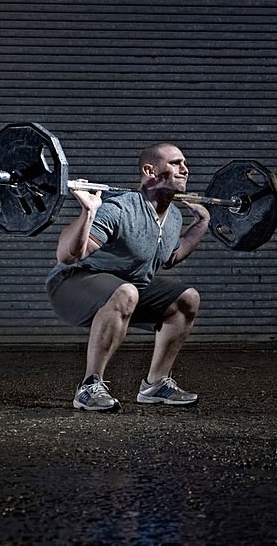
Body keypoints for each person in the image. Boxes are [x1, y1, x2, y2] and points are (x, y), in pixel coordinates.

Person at [45, 143, 211, 412]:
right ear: (150, 170)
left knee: (186, 299)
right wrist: (88, 212)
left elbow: (169, 257)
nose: (185, 170)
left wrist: (200, 225)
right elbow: (68, 255)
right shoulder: (119, 209)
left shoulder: (173, 218)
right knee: (126, 292)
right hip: (71, 283)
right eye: (175, 163)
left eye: (185, 164)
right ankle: (89, 387)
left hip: (126, 288)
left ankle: (155, 384)